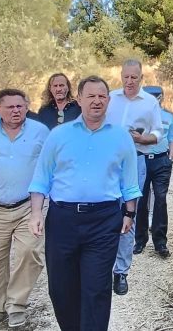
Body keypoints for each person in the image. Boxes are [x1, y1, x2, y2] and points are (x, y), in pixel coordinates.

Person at [29, 75, 141, 331]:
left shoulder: (121, 137)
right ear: (78, 99)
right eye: (90, 96)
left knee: (96, 288)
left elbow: (130, 182)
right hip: (62, 220)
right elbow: (41, 178)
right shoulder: (59, 135)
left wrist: (129, 214)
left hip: (104, 221)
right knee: (61, 288)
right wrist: (35, 213)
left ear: (108, 100)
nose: (96, 101)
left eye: (102, 96)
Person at [0, 88, 50, 331]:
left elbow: (48, 164)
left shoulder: (40, 132)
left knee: (30, 253)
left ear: (26, 107)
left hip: (29, 206)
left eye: (20, 106)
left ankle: (17, 305)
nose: (15, 111)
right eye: (9, 107)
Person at [106, 59, 163, 295]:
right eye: (126, 77)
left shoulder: (150, 103)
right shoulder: (109, 97)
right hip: (106, 162)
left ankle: (121, 271)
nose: (129, 81)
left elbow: (159, 133)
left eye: (134, 77)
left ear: (141, 78)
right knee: (104, 212)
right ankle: (102, 265)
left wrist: (143, 139)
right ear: (121, 76)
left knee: (129, 214)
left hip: (134, 160)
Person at [134, 86, 173, 258]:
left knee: (160, 200)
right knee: (141, 200)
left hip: (161, 161)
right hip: (142, 160)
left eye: (157, 98)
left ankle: (160, 242)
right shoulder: (137, 117)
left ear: (161, 98)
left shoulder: (168, 116)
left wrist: (170, 158)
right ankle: (140, 240)